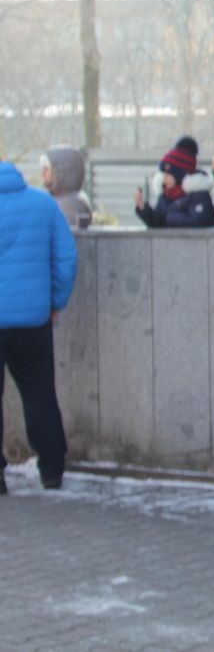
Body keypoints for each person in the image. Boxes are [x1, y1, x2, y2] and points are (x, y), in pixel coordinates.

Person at [0, 154, 77, 494]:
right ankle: (52, 469)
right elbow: (66, 258)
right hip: (33, 319)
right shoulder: (43, 204)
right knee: (40, 393)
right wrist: (55, 302)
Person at [133, 136, 214, 228]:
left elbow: (198, 220)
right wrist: (142, 207)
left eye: (168, 175)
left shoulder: (200, 195)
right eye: (163, 175)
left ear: (180, 175)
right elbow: (157, 222)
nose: (164, 179)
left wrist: (170, 217)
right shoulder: (165, 196)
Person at [40, 145, 93, 230]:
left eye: (46, 169)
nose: (42, 174)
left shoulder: (72, 204)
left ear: (61, 171)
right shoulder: (60, 199)